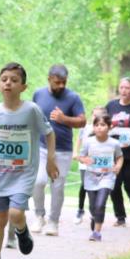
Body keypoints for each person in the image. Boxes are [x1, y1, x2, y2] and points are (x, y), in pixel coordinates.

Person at [0, 62, 57, 259]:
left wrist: (50, 159)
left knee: (15, 213)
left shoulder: (31, 110)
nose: (8, 83)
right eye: (4, 80)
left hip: (23, 173)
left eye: (14, 80)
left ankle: (22, 230)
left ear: (23, 86)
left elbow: (49, 133)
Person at [30, 64, 86, 236]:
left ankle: (54, 222)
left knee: (57, 186)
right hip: (41, 146)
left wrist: (64, 119)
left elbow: (82, 121)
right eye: (57, 82)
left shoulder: (73, 98)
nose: (61, 85)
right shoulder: (38, 94)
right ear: (49, 79)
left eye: (64, 82)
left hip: (62, 150)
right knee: (38, 182)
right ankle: (40, 216)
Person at [106, 77, 130, 225]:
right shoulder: (111, 106)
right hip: (115, 153)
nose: (124, 91)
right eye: (121, 87)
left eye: (127, 88)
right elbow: (103, 122)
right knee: (114, 186)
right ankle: (120, 217)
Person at [77, 112, 123, 241]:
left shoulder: (114, 143)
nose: (99, 127)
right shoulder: (88, 142)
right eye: (96, 125)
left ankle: (96, 232)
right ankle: (94, 216)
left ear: (109, 127)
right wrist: (84, 160)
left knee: (100, 204)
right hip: (91, 177)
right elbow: (81, 156)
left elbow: (119, 157)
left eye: (102, 125)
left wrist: (118, 166)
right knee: (93, 206)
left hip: (107, 176)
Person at [74, 107, 107, 225]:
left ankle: (94, 212)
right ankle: (80, 210)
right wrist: (76, 152)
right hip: (85, 161)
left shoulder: (103, 129)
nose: (95, 118)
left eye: (98, 116)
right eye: (94, 115)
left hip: (98, 163)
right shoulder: (85, 128)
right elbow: (79, 140)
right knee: (85, 185)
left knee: (97, 188)